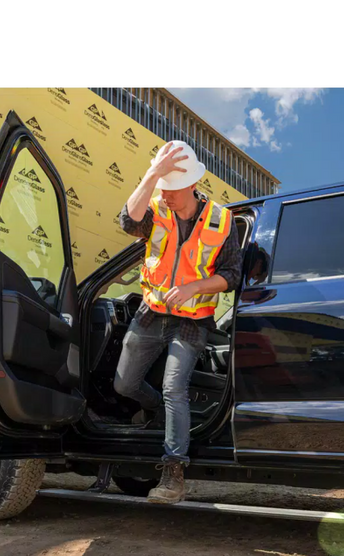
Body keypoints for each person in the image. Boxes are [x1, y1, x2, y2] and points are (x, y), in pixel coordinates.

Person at [115, 141, 242, 504]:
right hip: (151, 312)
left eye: (171, 188)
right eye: (162, 187)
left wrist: (194, 287)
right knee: (124, 385)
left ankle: (173, 472)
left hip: (193, 320)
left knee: (175, 387)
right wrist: (153, 173)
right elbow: (127, 221)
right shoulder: (156, 209)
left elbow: (232, 275)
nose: (166, 195)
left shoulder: (221, 220)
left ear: (192, 184)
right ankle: (161, 412)